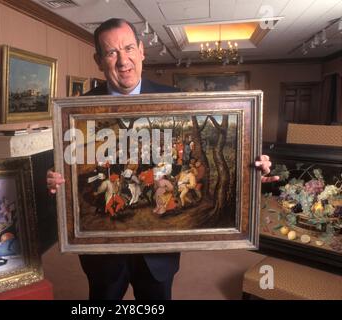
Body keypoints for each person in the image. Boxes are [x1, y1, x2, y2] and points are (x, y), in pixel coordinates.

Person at [47, 18, 279, 300]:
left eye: (129, 48)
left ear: (142, 50)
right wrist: (56, 179)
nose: (123, 60)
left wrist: (250, 169)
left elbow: (214, 154)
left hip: (158, 256)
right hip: (102, 255)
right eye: (111, 53)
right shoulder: (77, 112)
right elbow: (67, 172)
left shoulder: (176, 100)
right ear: (98, 60)